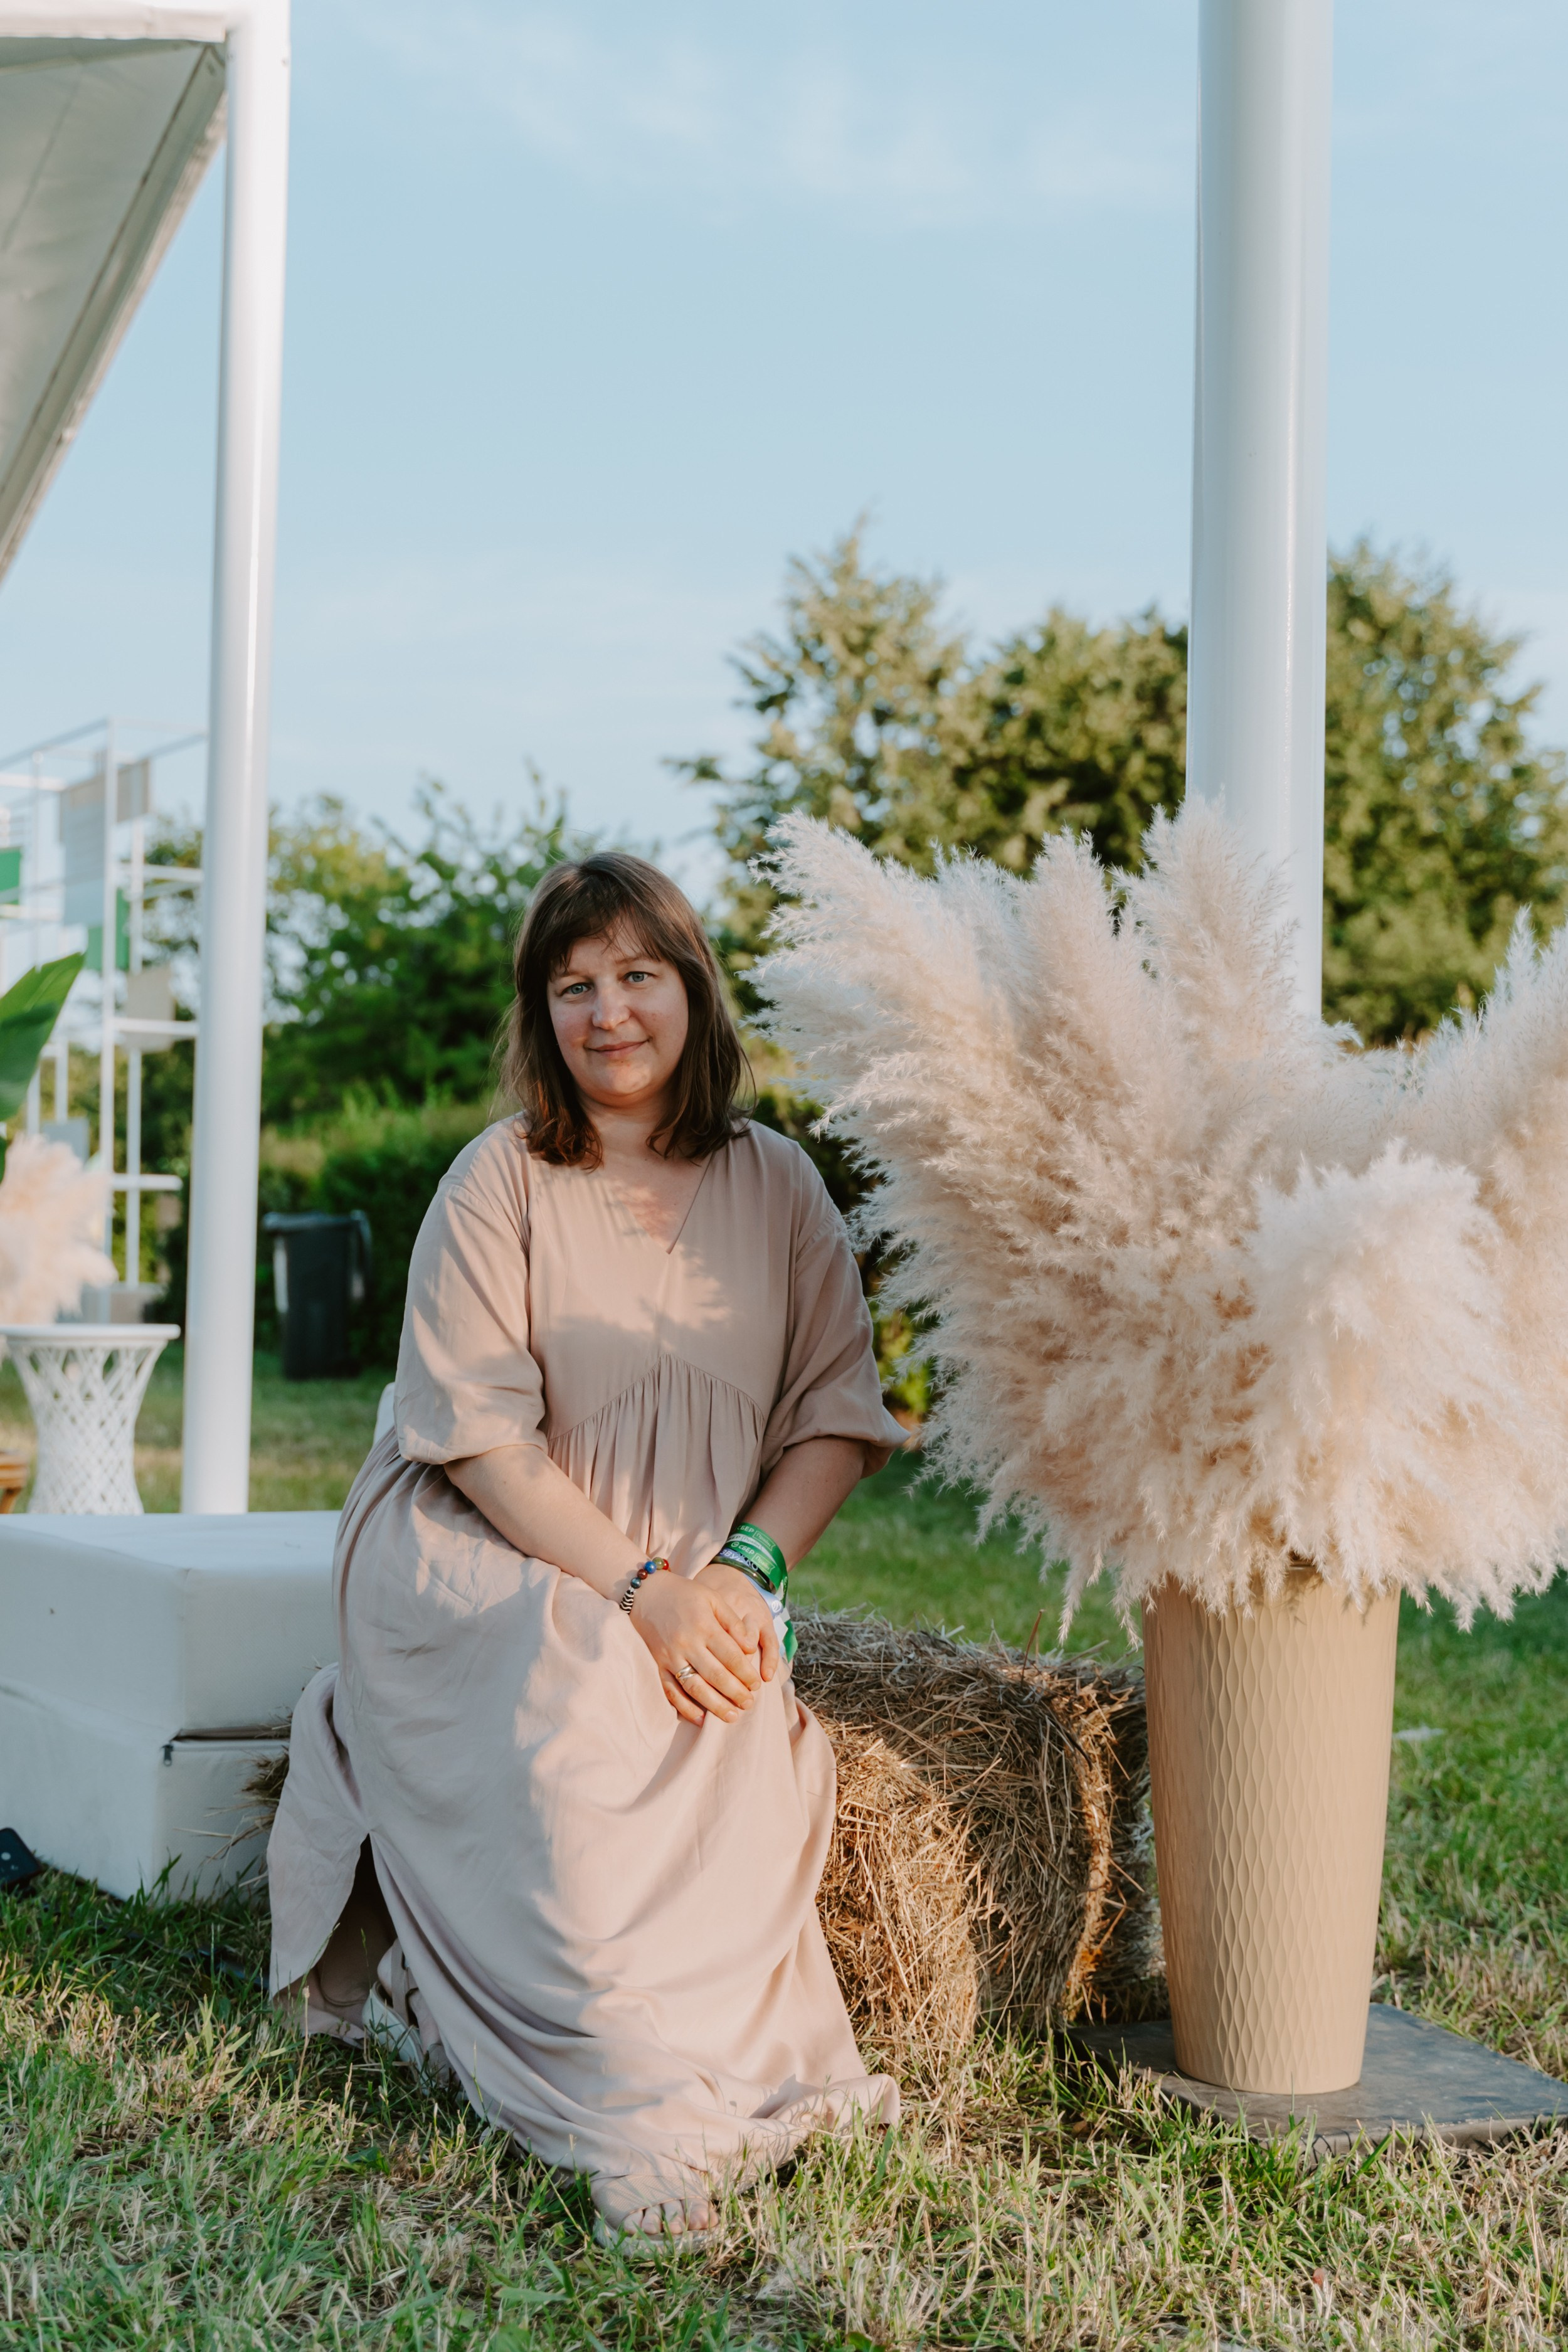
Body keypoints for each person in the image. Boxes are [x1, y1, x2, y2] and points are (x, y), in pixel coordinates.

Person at [267, 852, 903, 2249]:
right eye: (572, 986)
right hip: (484, 1534)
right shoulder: (498, 1179)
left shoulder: (779, 1186)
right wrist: (638, 1590)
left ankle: (744, 2059)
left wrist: (739, 1579)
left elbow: (832, 1424)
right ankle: (625, 2094)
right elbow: (480, 1444)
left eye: (635, 975)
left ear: (690, 990)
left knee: (728, 1705)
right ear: (538, 1013)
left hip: (696, 1560)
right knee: (585, 1674)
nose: (607, 1011)